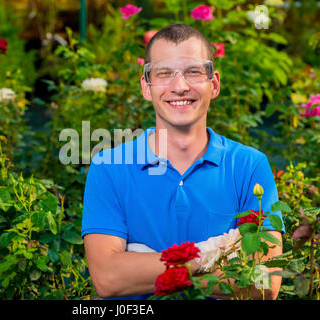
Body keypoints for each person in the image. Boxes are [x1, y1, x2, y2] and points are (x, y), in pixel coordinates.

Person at [81, 24, 284, 300]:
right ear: (146, 86)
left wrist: (147, 267)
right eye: (164, 73)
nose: (179, 86)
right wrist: (213, 252)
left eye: (193, 71)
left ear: (214, 84)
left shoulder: (249, 166)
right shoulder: (109, 167)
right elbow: (109, 279)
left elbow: (264, 285)